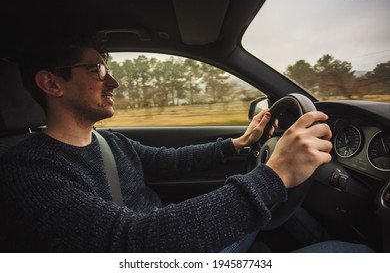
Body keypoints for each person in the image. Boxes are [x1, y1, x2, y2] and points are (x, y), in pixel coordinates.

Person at [0, 35, 371, 253]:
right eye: (97, 70)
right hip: (163, 250)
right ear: (52, 84)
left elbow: (171, 161)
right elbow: (132, 243)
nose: (112, 81)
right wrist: (273, 175)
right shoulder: (29, 171)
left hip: (172, 238)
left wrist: (238, 143)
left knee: (291, 215)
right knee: (349, 256)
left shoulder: (108, 141)